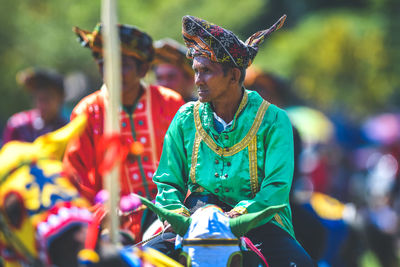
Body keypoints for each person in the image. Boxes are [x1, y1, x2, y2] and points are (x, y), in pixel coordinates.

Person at [146, 15, 314, 266]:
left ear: (234, 76)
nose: (197, 80)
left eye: (207, 72)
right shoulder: (184, 117)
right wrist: (177, 214)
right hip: (194, 217)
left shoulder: (274, 119)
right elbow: (167, 180)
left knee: (299, 263)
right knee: (142, 259)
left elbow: (276, 190)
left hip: (259, 221)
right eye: (196, 71)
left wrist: (235, 218)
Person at [63, 23, 185, 241]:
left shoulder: (170, 103)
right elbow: (75, 179)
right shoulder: (86, 113)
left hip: (172, 213)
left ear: (142, 70)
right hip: (113, 223)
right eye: (105, 64)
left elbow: (191, 163)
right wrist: (100, 213)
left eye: (123, 65)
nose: (113, 73)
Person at [2, 67, 67, 144]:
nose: (42, 105)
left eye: (47, 99)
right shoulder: (18, 126)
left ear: (60, 99)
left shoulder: (66, 129)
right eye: (39, 99)